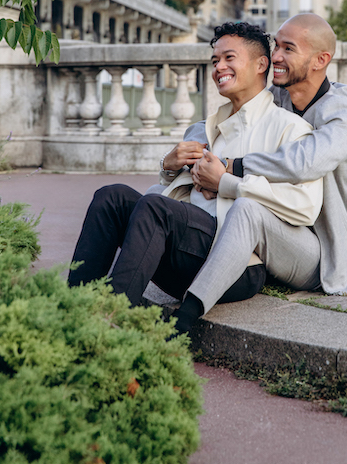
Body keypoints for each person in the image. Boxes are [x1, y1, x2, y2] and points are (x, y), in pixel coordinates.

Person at [69, 22, 324, 333]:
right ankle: (75, 305)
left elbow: (304, 206)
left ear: (261, 65)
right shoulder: (204, 128)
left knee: (154, 209)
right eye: (215, 60)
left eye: (229, 58)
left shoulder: (289, 129)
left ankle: (110, 320)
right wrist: (169, 165)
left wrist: (225, 184)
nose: (219, 67)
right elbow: (170, 194)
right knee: (112, 197)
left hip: (238, 266)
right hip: (184, 250)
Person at [188, 13, 347, 313]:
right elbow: (228, 117)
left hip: (319, 249)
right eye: (276, 46)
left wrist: (230, 168)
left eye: (288, 48)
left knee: (247, 208)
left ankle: (188, 315)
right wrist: (196, 158)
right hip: (273, 229)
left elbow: (304, 162)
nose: (276, 57)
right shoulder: (278, 97)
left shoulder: (344, 113)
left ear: (320, 60)